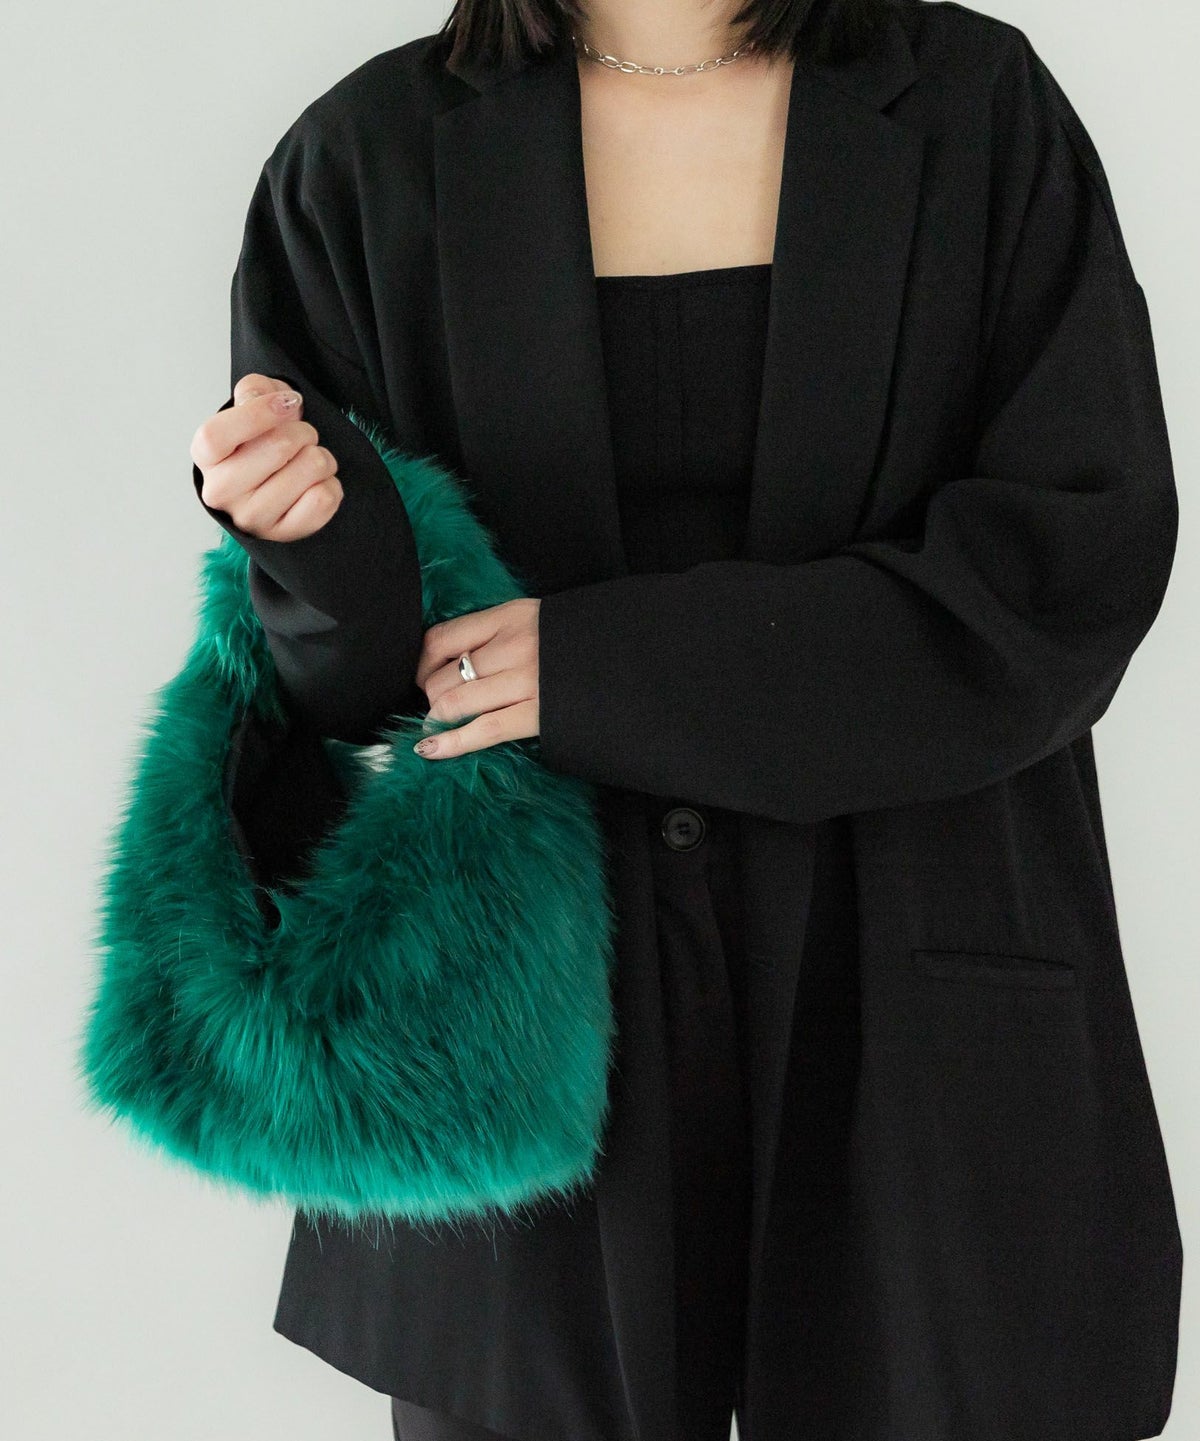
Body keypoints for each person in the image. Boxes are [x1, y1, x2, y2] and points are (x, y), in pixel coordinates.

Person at [188, 2, 1183, 1439]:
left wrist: (612, 672)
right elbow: (345, 695)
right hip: (523, 1020)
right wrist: (304, 547)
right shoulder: (361, 161)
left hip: (914, 999)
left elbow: (1069, 568)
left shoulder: (978, 110)